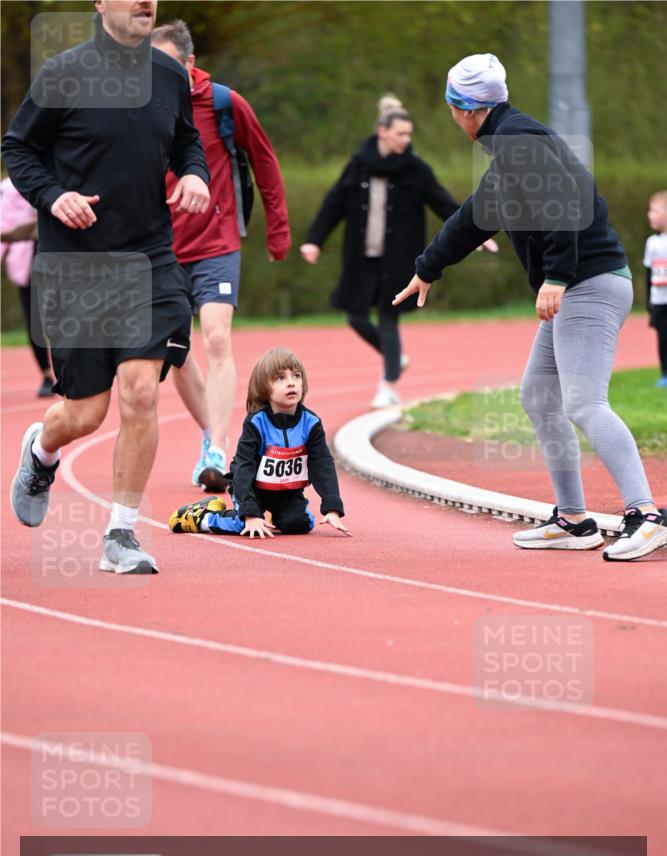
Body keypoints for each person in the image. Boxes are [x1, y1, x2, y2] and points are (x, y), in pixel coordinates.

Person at [394, 53, 667, 562]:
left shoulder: (518, 141)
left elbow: (564, 199)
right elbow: (472, 219)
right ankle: (574, 519)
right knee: (539, 397)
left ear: (464, 109)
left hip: (588, 282)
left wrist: (558, 275)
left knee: (585, 403)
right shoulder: (508, 151)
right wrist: (427, 267)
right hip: (580, 283)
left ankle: (646, 515)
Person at [2, 0, 210, 575]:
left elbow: (187, 141)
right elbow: (18, 147)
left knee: (141, 392)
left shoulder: (169, 73)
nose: (145, 0)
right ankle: (42, 451)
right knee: (85, 414)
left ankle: (121, 536)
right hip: (77, 268)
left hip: (149, 259)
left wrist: (194, 172)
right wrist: (52, 195)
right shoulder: (63, 71)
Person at [151, 19, 291, 492]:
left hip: (217, 241)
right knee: (175, 350)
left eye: (166, 65)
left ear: (190, 64)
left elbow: (265, 160)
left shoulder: (224, 103)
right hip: (162, 247)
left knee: (215, 339)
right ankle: (211, 433)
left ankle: (217, 450)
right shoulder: (140, 106)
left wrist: (279, 232)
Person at [300, 94, 498, 409]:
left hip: (399, 258)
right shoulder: (359, 165)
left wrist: (478, 232)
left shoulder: (416, 169)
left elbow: (442, 201)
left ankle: (389, 385)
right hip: (362, 255)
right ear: (383, 132)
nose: (406, 140)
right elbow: (334, 203)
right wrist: (314, 240)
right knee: (355, 316)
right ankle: (396, 358)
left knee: (389, 317)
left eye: (409, 135)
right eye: (400, 134)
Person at [169, 347, 349, 539]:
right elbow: (244, 467)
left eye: (296, 376)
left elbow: (322, 463)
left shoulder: (310, 423)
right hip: (251, 488)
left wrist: (332, 507)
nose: (291, 383)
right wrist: (250, 512)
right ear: (264, 388)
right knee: (244, 526)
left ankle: (276, 512)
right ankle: (203, 517)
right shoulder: (257, 423)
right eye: (280, 378)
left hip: (287, 491)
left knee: (300, 524)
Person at [0, 176, 56, 396]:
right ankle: (46, 375)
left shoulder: (55, 173)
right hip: (26, 263)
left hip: (58, 256)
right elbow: (4, 224)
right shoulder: (6, 189)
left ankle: (74, 370)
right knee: (35, 321)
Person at [644, 190, 667, 388]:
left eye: (654, 210)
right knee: (663, 337)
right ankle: (665, 374)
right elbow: (648, 271)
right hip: (659, 300)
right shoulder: (652, 243)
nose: (650, 215)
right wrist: (648, 299)